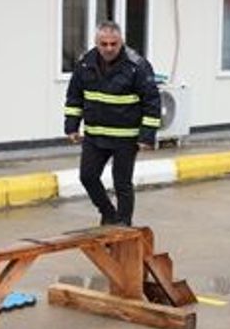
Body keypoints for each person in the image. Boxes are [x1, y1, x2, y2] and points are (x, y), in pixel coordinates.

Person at [64, 21, 161, 226]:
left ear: (121, 42)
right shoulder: (85, 64)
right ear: (96, 43)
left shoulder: (137, 66)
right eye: (104, 44)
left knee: (122, 184)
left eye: (113, 44)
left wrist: (146, 136)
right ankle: (109, 214)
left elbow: (152, 102)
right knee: (87, 177)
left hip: (125, 138)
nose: (109, 48)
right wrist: (72, 126)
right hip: (95, 136)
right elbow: (74, 96)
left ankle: (124, 224)